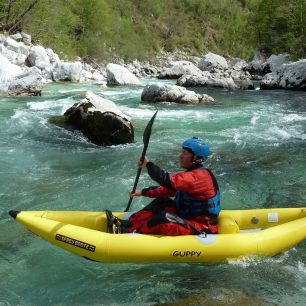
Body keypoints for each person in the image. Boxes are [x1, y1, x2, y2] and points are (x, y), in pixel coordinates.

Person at [106, 137, 221, 235]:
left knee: (164, 218)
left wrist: (148, 164)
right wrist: (142, 192)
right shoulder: (191, 175)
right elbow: (167, 190)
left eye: (185, 154)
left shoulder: (199, 177)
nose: (180, 157)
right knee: (161, 201)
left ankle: (127, 232)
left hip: (200, 226)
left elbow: (165, 180)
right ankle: (127, 223)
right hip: (186, 215)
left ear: (196, 158)